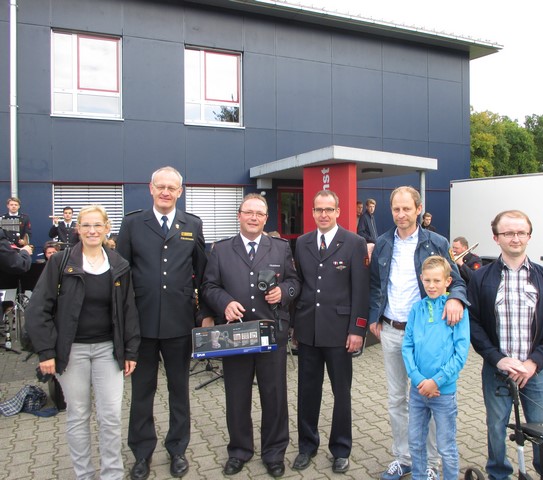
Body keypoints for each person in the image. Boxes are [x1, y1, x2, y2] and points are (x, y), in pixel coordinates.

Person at [26, 204, 140, 480]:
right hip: (71, 351)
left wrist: (131, 350)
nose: (92, 230)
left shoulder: (119, 264)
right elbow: (38, 308)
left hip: (108, 351)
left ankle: (112, 474)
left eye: (97, 225)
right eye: (86, 225)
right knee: (78, 414)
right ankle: (84, 475)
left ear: (106, 228)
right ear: (78, 229)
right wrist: (46, 352)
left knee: (110, 416)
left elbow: (128, 310)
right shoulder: (60, 262)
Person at [369, 186, 467, 480]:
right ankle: (404, 458)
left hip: (426, 336)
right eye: (396, 209)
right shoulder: (383, 243)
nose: (401, 214)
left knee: (430, 395)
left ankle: (432, 463)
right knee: (397, 399)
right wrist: (374, 317)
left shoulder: (437, 242)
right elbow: (375, 284)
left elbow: (456, 281)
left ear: (418, 209)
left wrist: (455, 299)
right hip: (391, 330)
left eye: (407, 209)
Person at [117, 166, 208, 480]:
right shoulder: (132, 223)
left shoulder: (192, 224)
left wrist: (203, 314)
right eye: (161, 187)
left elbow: (203, 273)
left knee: (178, 390)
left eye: (172, 188)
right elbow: (121, 275)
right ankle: (141, 453)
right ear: (151, 189)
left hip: (179, 323)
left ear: (180, 192)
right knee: (142, 392)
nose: (166, 192)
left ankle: (177, 449)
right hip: (141, 323)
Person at [200, 193, 300, 478]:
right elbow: (208, 287)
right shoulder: (221, 250)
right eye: (248, 212)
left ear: (266, 218)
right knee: (237, 395)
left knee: (274, 396)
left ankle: (274, 453)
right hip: (237, 334)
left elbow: (294, 281)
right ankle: (239, 451)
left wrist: (284, 292)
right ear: (239, 216)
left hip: (272, 333)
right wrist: (225, 303)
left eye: (259, 213)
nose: (254, 217)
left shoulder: (281, 248)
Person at [467, 210, 543, 480]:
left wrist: (534, 362)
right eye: (508, 233)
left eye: (521, 232)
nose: (515, 238)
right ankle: (498, 474)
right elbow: (473, 323)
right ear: (496, 238)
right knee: (496, 427)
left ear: (529, 236)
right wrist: (497, 359)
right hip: (498, 370)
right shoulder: (481, 278)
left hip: (535, 371)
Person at [291, 190, 369, 474]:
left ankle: (340, 449)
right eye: (318, 209)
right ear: (312, 212)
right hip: (308, 331)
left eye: (328, 209)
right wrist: (294, 325)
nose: (323, 214)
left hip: (340, 332)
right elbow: (299, 284)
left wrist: (357, 329)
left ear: (338, 211)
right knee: (307, 392)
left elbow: (361, 290)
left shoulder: (354, 243)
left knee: (341, 394)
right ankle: (307, 446)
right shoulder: (301, 243)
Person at [402, 256, 470, 480]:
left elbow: (460, 354)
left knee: (446, 446)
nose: (431, 286)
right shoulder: (416, 309)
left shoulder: (456, 311)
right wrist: (418, 378)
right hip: (418, 390)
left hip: (443, 392)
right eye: (427, 280)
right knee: (415, 442)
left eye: (437, 281)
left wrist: (437, 381)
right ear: (421, 278)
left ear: (448, 281)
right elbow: (407, 345)